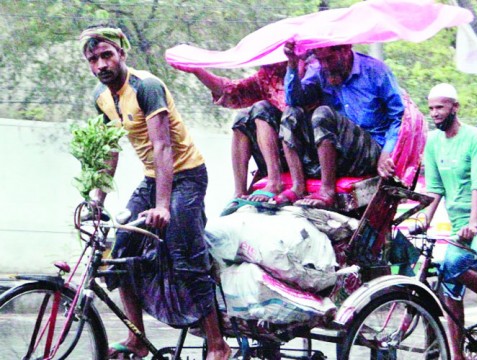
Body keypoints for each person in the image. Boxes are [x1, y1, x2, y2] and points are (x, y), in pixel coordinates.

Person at [80, 26, 230, 359]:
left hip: (187, 176)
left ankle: (219, 346)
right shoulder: (101, 98)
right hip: (153, 179)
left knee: (184, 252)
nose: (101, 64)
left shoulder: (146, 87)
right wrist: (96, 199)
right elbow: (110, 151)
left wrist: (163, 207)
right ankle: (136, 339)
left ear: (122, 54)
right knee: (120, 253)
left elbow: (163, 148)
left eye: (107, 55)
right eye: (93, 59)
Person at [421, 83, 477, 359]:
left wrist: (474, 223)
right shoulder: (433, 141)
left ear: (454, 107)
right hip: (458, 221)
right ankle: (457, 354)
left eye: (440, 107)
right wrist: (424, 219)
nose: (435, 113)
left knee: (453, 264)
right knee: (449, 284)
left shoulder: (475, 137)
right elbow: (434, 187)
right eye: (431, 109)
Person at [171, 59, 318, 212]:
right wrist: (197, 70)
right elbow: (231, 92)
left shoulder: (312, 67)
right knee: (243, 117)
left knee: (261, 109)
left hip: (308, 148)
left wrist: (294, 67)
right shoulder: (267, 75)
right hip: (281, 149)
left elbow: (297, 102)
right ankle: (240, 192)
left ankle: (275, 182)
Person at [280, 41, 404, 208]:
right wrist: (293, 65)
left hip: (368, 151)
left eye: (330, 59)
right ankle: (298, 186)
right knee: (291, 114)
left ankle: (327, 190)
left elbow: (398, 117)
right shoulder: (319, 70)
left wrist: (387, 152)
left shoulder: (376, 71)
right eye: (320, 60)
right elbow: (293, 101)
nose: (325, 65)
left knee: (323, 113)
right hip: (335, 152)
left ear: (346, 50)